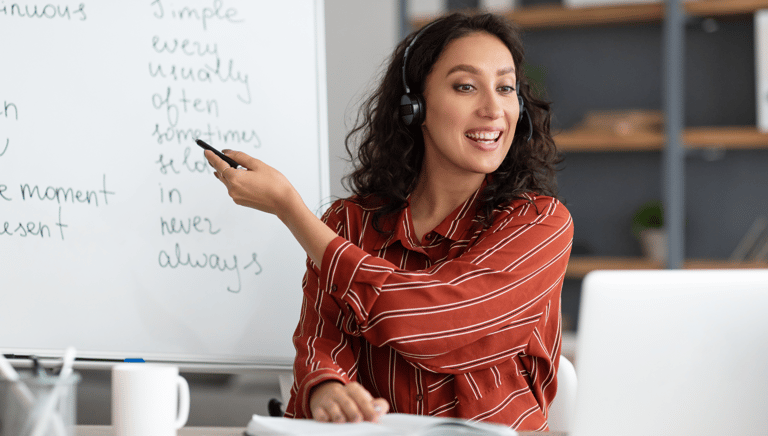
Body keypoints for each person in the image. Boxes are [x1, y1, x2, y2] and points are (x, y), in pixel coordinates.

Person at [204, 12, 573, 431]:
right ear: (415, 106)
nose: (493, 109)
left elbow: (437, 323)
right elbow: (321, 345)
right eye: (466, 86)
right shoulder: (349, 223)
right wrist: (327, 391)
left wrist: (292, 211)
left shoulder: (540, 223)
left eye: (505, 88)